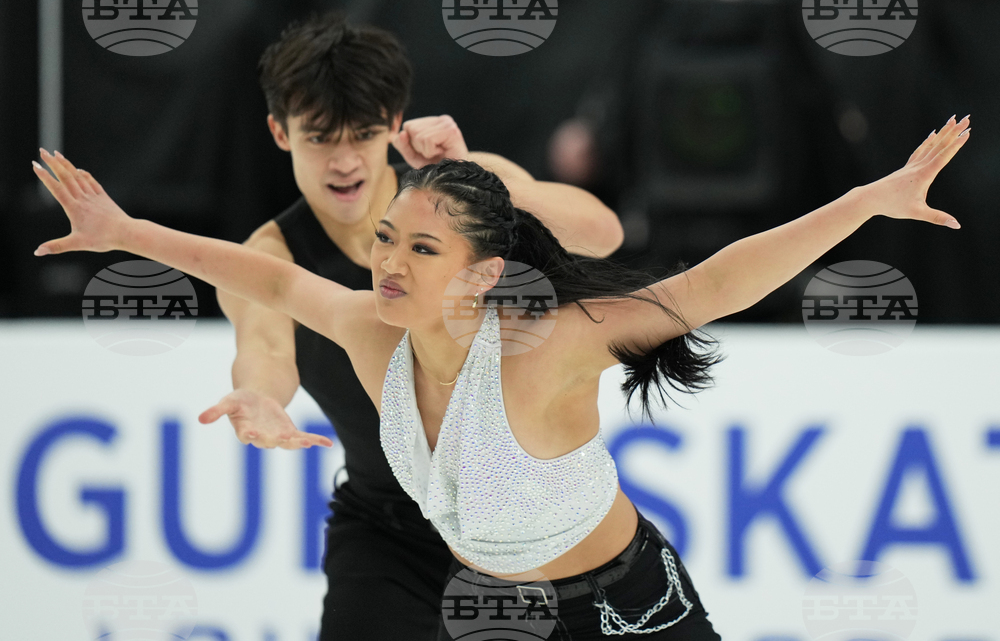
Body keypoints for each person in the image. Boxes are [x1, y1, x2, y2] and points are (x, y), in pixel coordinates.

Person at [32, 113, 968, 638]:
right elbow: (271, 277)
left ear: (484, 274)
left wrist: (868, 201)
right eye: (387, 238)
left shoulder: (550, 345)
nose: (386, 261)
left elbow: (714, 283)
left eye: (421, 248)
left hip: (627, 611)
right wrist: (126, 234)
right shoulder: (370, 332)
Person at [193, 11, 624, 639]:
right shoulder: (271, 255)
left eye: (363, 134)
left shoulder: (464, 201)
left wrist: (476, 171)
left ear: (395, 125)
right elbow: (264, 344)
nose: (344, 162)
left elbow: (602, 235)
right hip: (387, 532)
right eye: (319, 138)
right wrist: (260, 395)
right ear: (279, 133)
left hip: (521, 522)